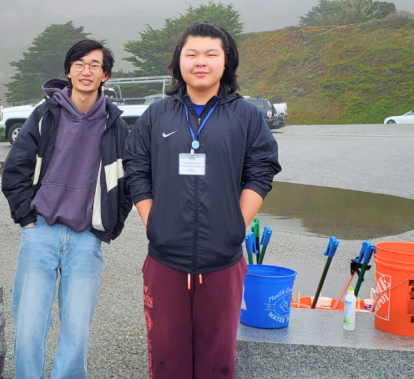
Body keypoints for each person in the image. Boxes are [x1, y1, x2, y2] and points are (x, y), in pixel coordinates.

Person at [124, 22, 282, 378]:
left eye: (212, 54)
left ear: (226, 63)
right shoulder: (157, 115)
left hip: (222, 262)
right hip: (165, 260)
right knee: (166, 357)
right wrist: (154, 223)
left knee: (217, 360)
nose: (201, 61)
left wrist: (235, 227)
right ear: (178, 61)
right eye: (191, 53)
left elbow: (261, 170)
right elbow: (136, 169)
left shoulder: (246, 116)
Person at [1, 39, 132, 378]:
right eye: (79, 64)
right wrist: (25, 217)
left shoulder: (115, 124)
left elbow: (128, 180)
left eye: (94, 65)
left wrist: (109, 226)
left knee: (76, 329)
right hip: (40, 231)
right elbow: (15, 168)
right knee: (29, 325)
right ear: (68, 70)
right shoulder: (46, 115)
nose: (86, 71)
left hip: (86, 238)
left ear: (105, 75)